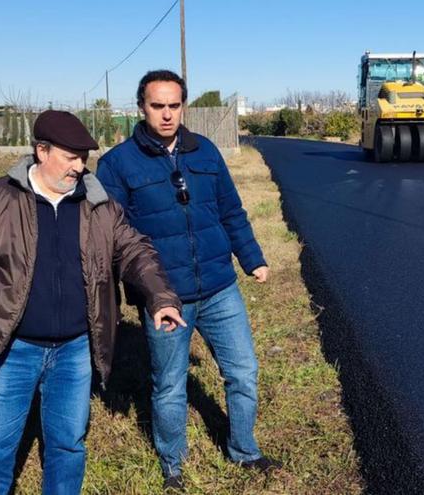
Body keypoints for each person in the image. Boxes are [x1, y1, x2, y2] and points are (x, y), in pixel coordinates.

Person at [0, 110, 185, 494]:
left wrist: (160, 298)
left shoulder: (98, 205)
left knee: (68, 446)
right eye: (70, 157)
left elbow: (136, 251)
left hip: (74, 351)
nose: (80, 166)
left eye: (84, 157)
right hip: (9, 349)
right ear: (41, 151)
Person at [95, 70, 279, 491]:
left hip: (219, 287)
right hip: (166, 298)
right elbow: (115, 238)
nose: (166, 115)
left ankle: (244, 449)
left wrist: (252, 258)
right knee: (170, 384)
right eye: (157, 106)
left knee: (243, 372)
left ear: (184, 107)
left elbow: (231, 210)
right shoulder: (118, 164)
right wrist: (142, 292)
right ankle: (173, 463)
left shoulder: (205, 152)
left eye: (174, 106)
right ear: (141, 107)